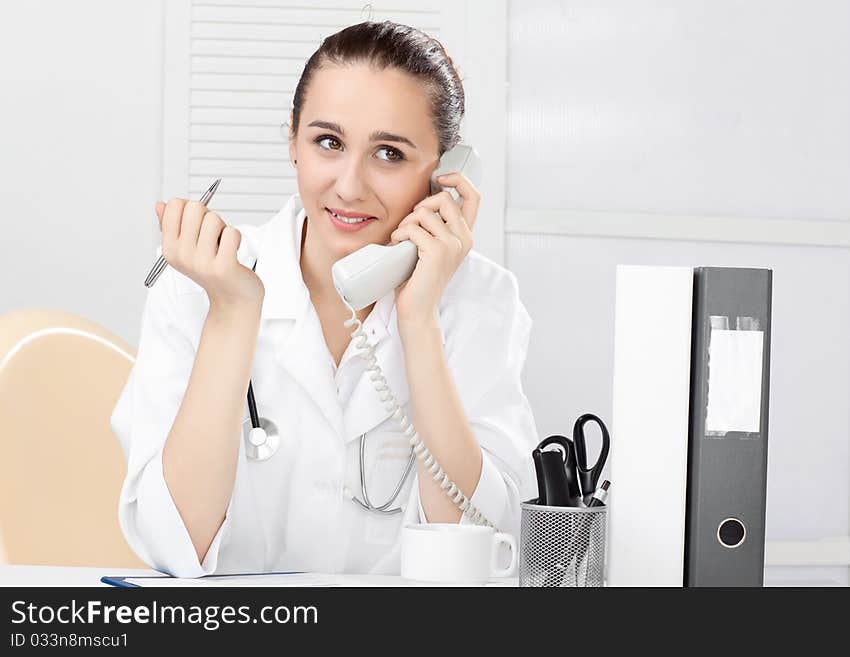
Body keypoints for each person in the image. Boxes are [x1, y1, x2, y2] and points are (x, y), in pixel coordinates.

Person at [111, 21, 538, 578]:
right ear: (293, 142)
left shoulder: (482, 300)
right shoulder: (197, 286)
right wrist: (233, 314)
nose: (349, 186)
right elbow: (174, 545)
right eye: (328, 143)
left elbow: (482, 548)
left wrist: (419, 321)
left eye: (389, 153)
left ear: (446, 176)